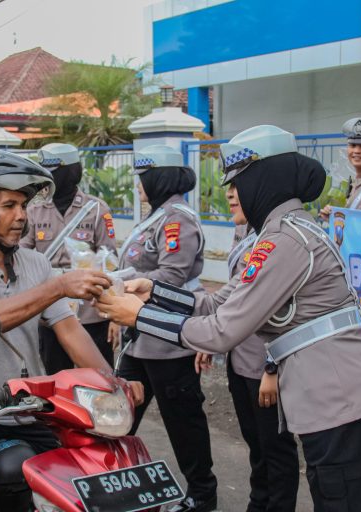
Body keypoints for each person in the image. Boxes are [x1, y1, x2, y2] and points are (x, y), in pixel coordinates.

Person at [97, 125, 361, 512]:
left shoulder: (284, 240)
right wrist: (154, 292)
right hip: (333, 403)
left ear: (264, 179)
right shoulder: (274, 236)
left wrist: (139, 316)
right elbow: (218, 304)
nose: (231, 193)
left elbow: (221, 331)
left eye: (238, 182)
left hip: (345, 405)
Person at [0, 150, 143, 512]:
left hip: (28, 407)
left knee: (86, 478)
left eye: (23, 205)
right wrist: (58, 286)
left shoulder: (35, 263)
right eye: (9, 205)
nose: (22, 216)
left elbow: (70, 332)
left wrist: (113, 382)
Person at [111, 145, 217, 512]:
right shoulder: (157, 216)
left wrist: (122, 282)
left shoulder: (177, 219)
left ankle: (202, 495)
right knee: (116, 413)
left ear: (159, 177)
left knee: (182, 422)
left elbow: (172, 275)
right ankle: (104, 484)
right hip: (140, 338)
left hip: (170, 340)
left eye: (144, 176)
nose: (138, 184)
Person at [196, 220, 300, 512]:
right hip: (239, 356)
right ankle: (259, 502)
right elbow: (233, 298)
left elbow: (289, 308)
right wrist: (211, 342)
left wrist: (272, 367)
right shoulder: (245, 230)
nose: (230, 193)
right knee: (256, 443)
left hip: (263, 361)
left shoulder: (284, 234)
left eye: (237, 185)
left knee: (276, 448)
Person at [20, 143, 117, 373]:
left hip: (90, 312)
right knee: (54, 380)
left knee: (98, 378)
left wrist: (114, 314)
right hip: (50, 310)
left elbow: (110, 261)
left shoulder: (96, 209)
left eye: (51, 171)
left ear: (68, 172)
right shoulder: (34, 211)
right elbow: (22, 256)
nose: (46, 178)